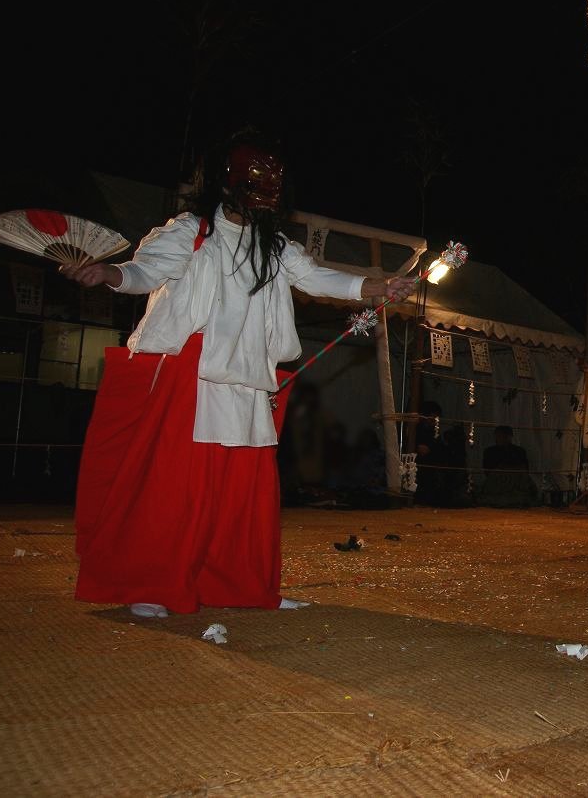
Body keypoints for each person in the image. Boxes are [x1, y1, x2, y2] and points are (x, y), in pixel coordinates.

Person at [61, 129, 412, 618]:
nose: (260, 204)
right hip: (193, 372)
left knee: (244, 487)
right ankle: (152, 583)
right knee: (177, 483)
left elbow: (316, 277)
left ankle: (241, 584)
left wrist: (379, 286)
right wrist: (109, 274)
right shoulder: (191, 232)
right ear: (226, 187)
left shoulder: (276, 247)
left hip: (250, 373)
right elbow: (145, 271)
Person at [478, 425, 537, 507]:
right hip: (497, 483)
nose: (498, 438)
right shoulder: (490, 451)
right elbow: (487, 470)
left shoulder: (519, 451)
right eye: (497, 436)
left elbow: (525, 469)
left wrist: (510, 470)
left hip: (516, 483)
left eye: (501, 436)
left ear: (509, 437)